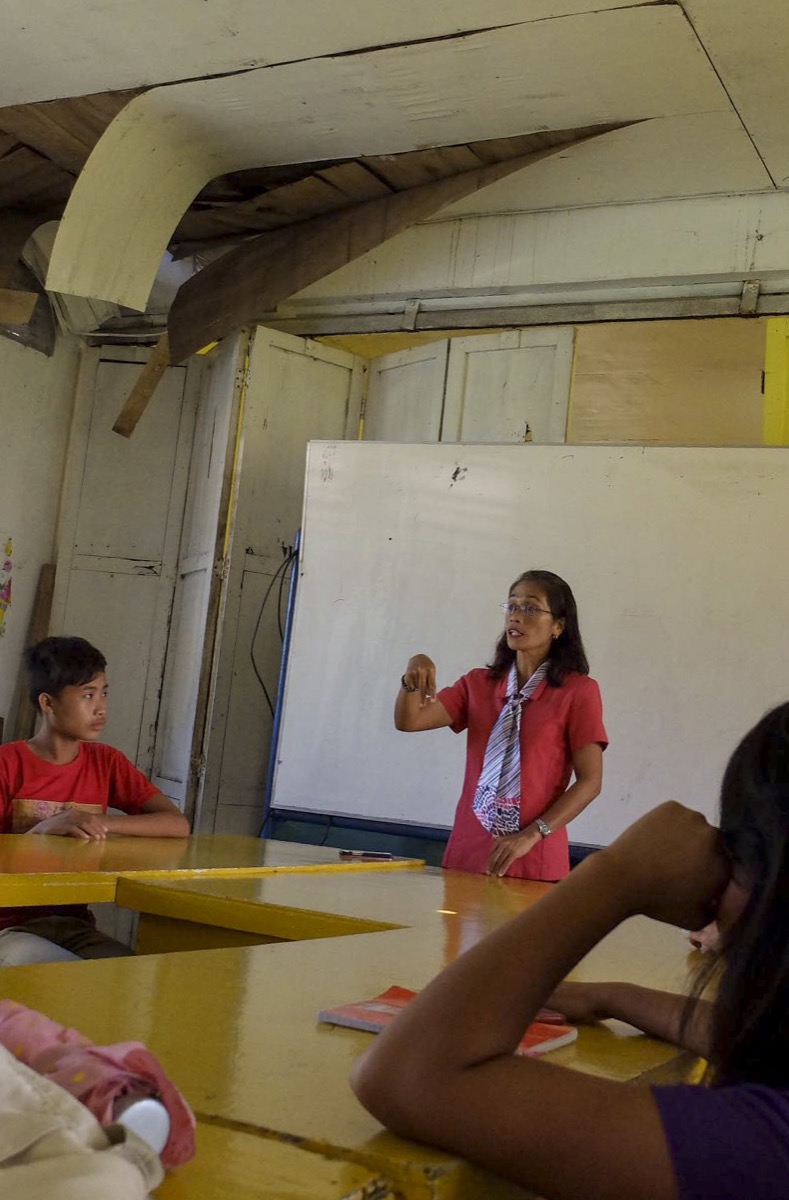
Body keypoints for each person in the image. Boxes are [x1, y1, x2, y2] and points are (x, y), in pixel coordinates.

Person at [352, 703, 789, 1200]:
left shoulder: (765, 1145)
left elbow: (407, 1075)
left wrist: (617, 874)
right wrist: (610, 997)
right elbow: (751, 1035)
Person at [395, 569, 607, 878]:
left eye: (531, 608)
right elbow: (410, 720)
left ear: (558, 626)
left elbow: (591, 782)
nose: (516, 617)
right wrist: (414, 670)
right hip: (469, 853)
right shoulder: (478, 684)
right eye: (511, 606)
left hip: (534, 856)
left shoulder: (578, 692)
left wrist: (532, 835)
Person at [0, 637, 189, 965]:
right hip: (8, 929)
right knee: (68, 977)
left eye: (104, 693)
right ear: (48, 703)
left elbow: (176, 824)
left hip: (73, 926)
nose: (100, 708)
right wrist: (45, 830)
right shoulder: (7, 764)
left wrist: (100, 821)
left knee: (129, 975)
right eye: (88, 695)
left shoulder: (106, 762)